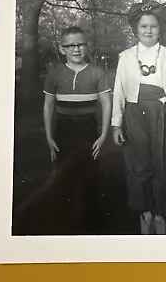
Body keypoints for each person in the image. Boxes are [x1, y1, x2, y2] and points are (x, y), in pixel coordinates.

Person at [111, 0, 166, 235]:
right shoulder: (125, 57)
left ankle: (161, 213)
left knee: (164, 163)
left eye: (153, 26)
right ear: (136, 29)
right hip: (135, 114)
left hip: (163, 112)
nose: (148, 31)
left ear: (160, 29)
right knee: (139, 165)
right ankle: (145, 211)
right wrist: (116, 122)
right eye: (143, 26)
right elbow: (119, 91)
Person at [43, 26, 112, 234]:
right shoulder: (55, 74)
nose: (76, 49)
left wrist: (103, 136)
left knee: (89, 175)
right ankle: (64, 222)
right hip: (63, 128)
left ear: (87, 46)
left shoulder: (96, 72)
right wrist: (48, 137)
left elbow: (107, 104)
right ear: (62, 49)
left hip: (87, 129)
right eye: (70, 45)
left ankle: (91, 223)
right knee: (64, 176)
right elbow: (48, 106)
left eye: (80, 44)